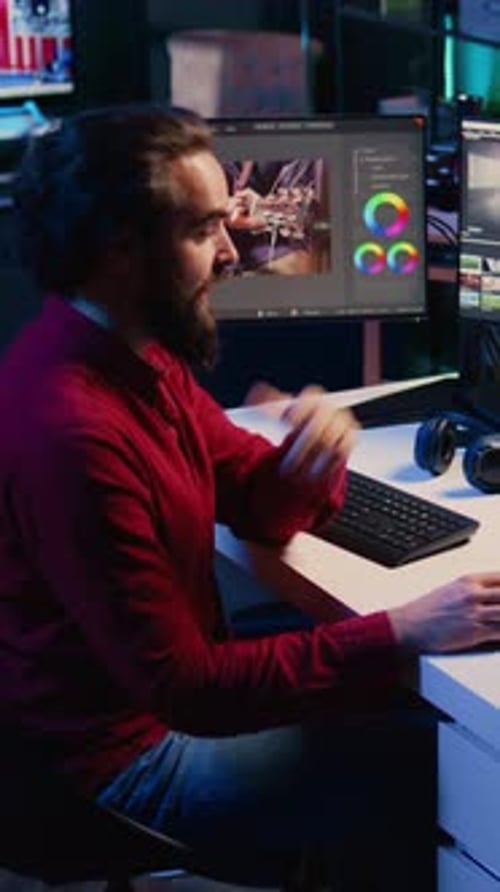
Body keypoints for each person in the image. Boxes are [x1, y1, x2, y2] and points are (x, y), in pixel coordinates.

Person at [2, 103, 500, 891]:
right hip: (120, 769)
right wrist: (401, 628)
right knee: (433, 751)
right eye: (204, 231)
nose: (233, 253)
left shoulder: (133, 353)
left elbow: (258, 502)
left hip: (155, 710)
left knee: (400, 707)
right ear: (119, 251)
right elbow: (192, 690)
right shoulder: (74, 429)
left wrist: (308, 460)